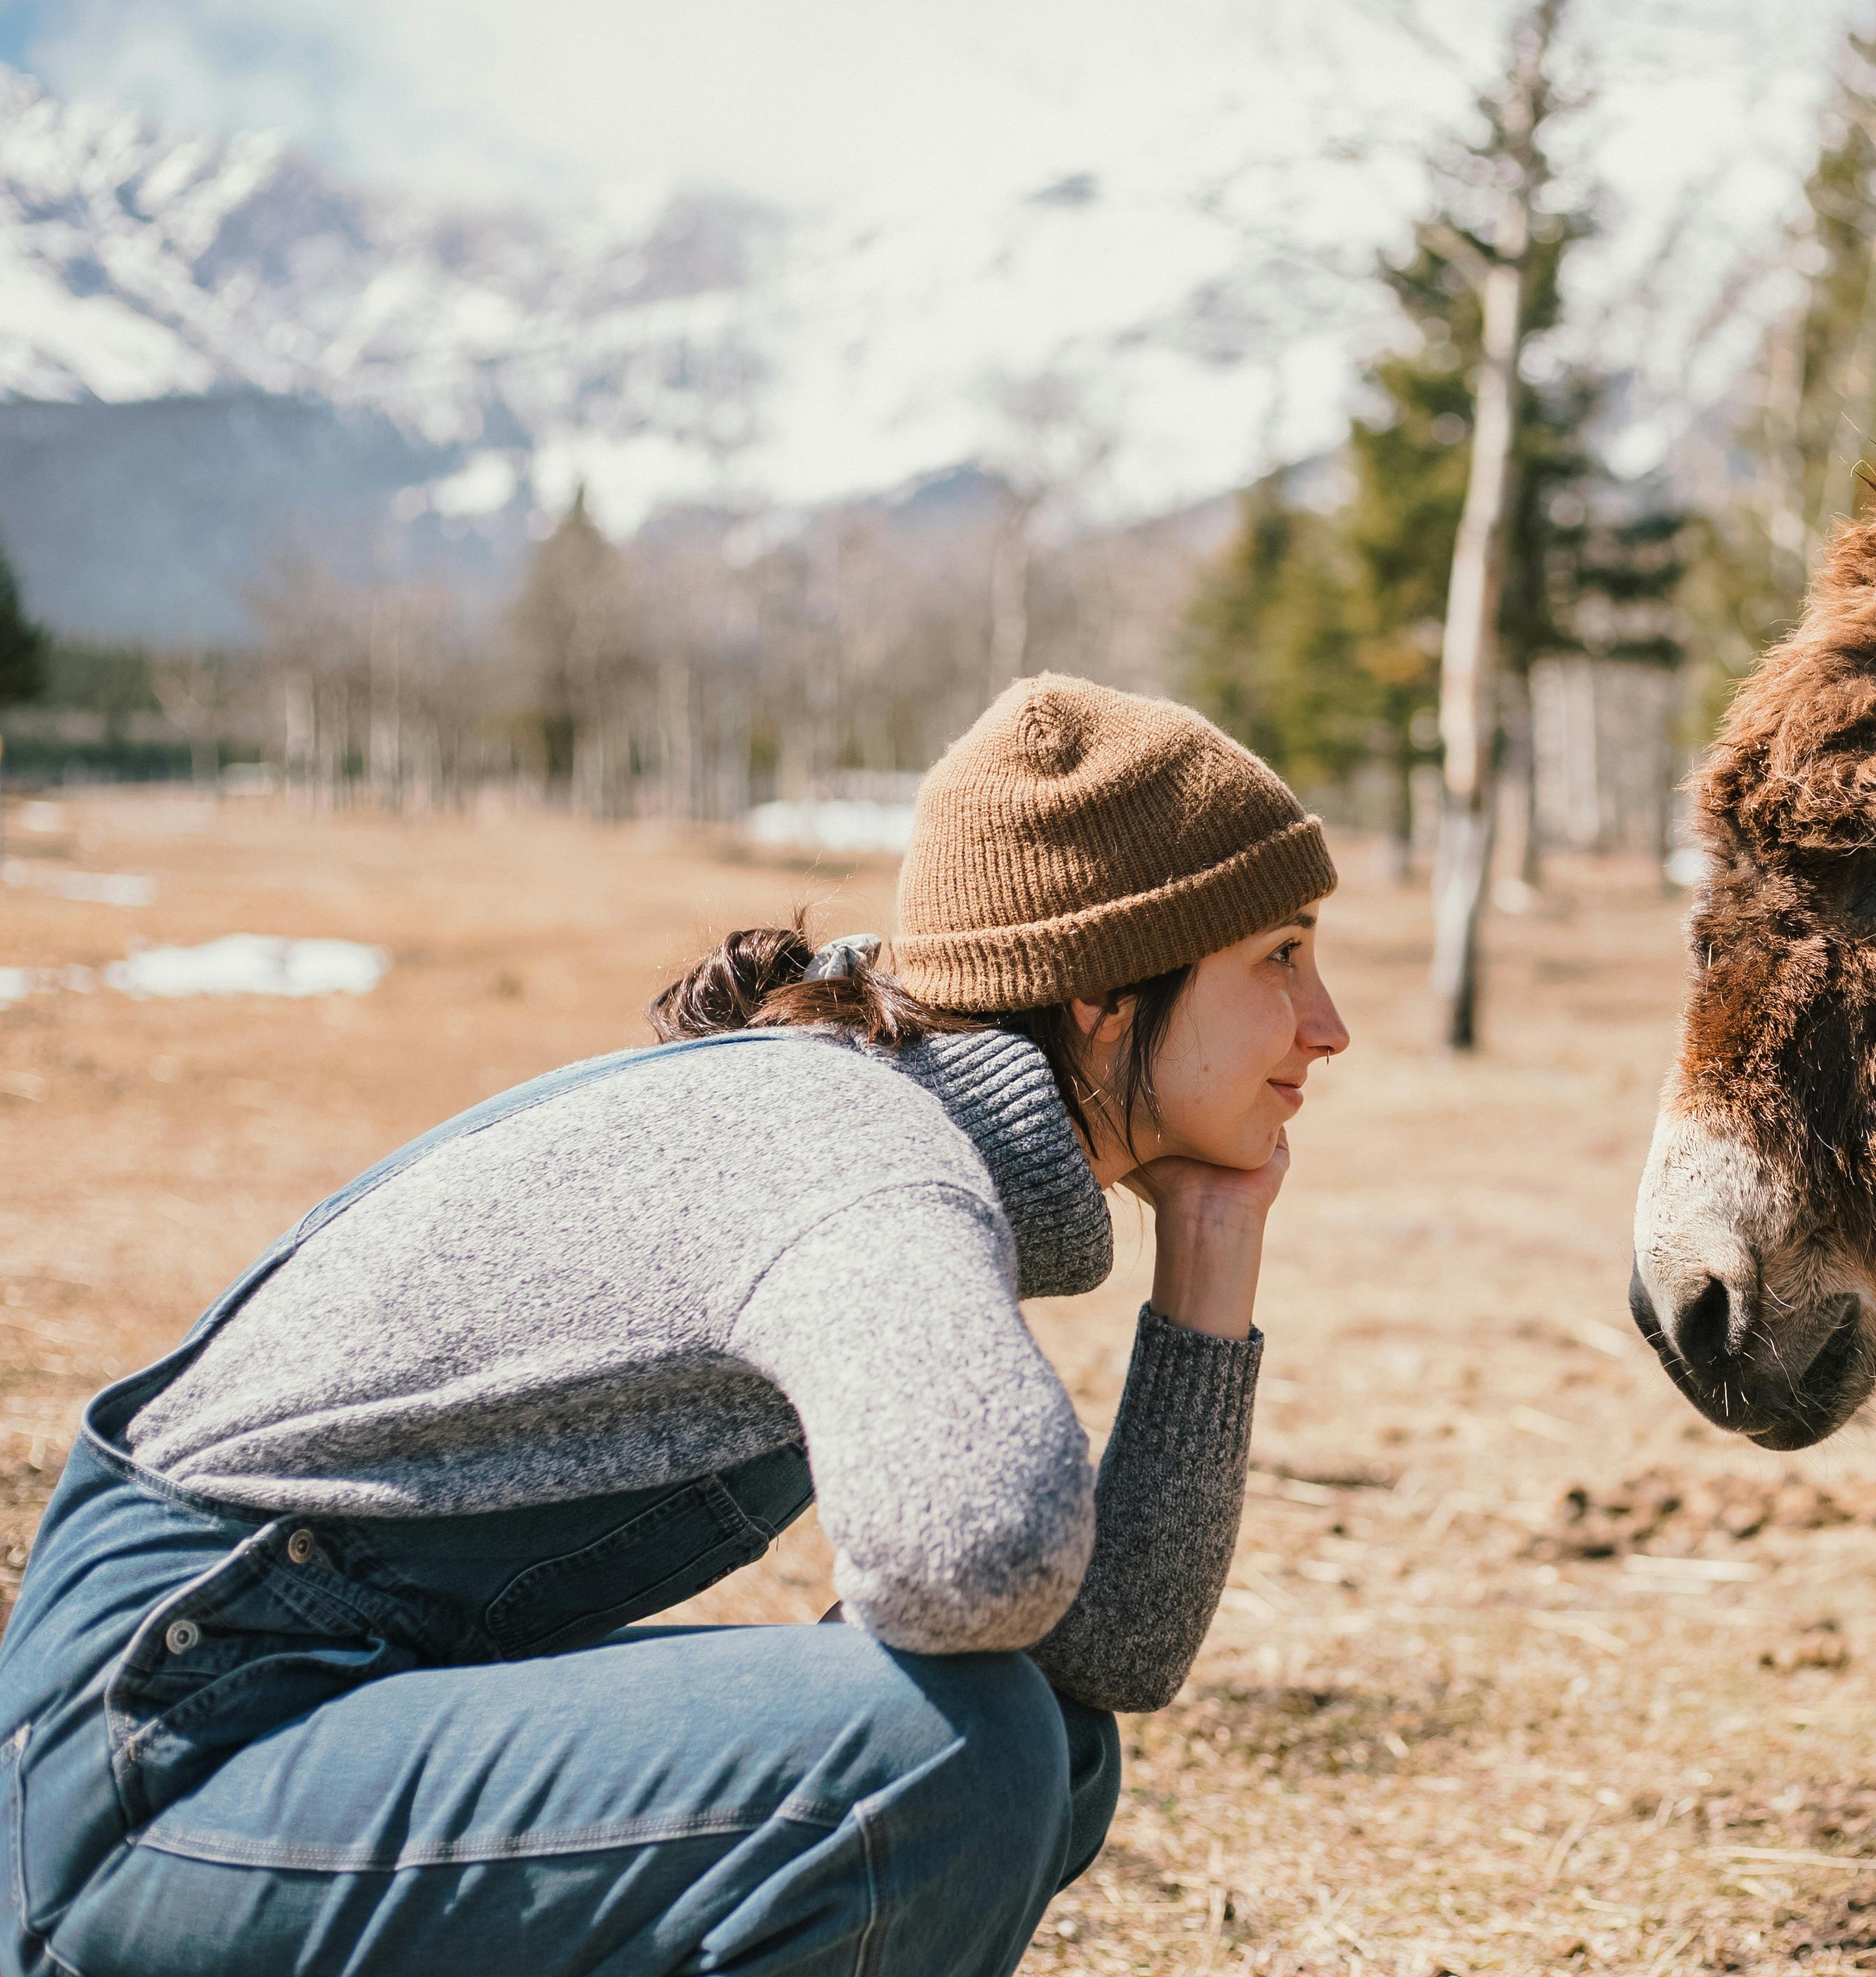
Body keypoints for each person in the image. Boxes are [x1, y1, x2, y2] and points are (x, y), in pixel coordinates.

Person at [0, 676, 1350, 1977]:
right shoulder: (860, 1147)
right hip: (155, 1751)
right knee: (956, 1749)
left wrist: (1212, 1252)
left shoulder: (863, 1102)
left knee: (1047, 1738)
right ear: (1100, 995)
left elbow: (1105, 1653)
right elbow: (980, 1558)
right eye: (1278, 957)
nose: (1328, 1024)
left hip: (280, 1701)